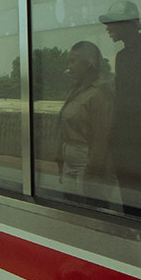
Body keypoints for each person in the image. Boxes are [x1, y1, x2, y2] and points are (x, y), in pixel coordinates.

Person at [99, 0, 141, 218]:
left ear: (129, 25)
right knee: (128, 203)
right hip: (124, 143)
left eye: (112, 23)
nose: (108, 28)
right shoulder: (122, 57)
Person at [57, 41, 116, 207]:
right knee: (71, 209)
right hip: (70, 158)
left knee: (88, 208)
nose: (69, 66)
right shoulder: (77, 90)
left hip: (87, 161)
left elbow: (101, 138)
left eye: (73, 61)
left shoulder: (100, 93)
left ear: (89, 62)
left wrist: (91, 173)